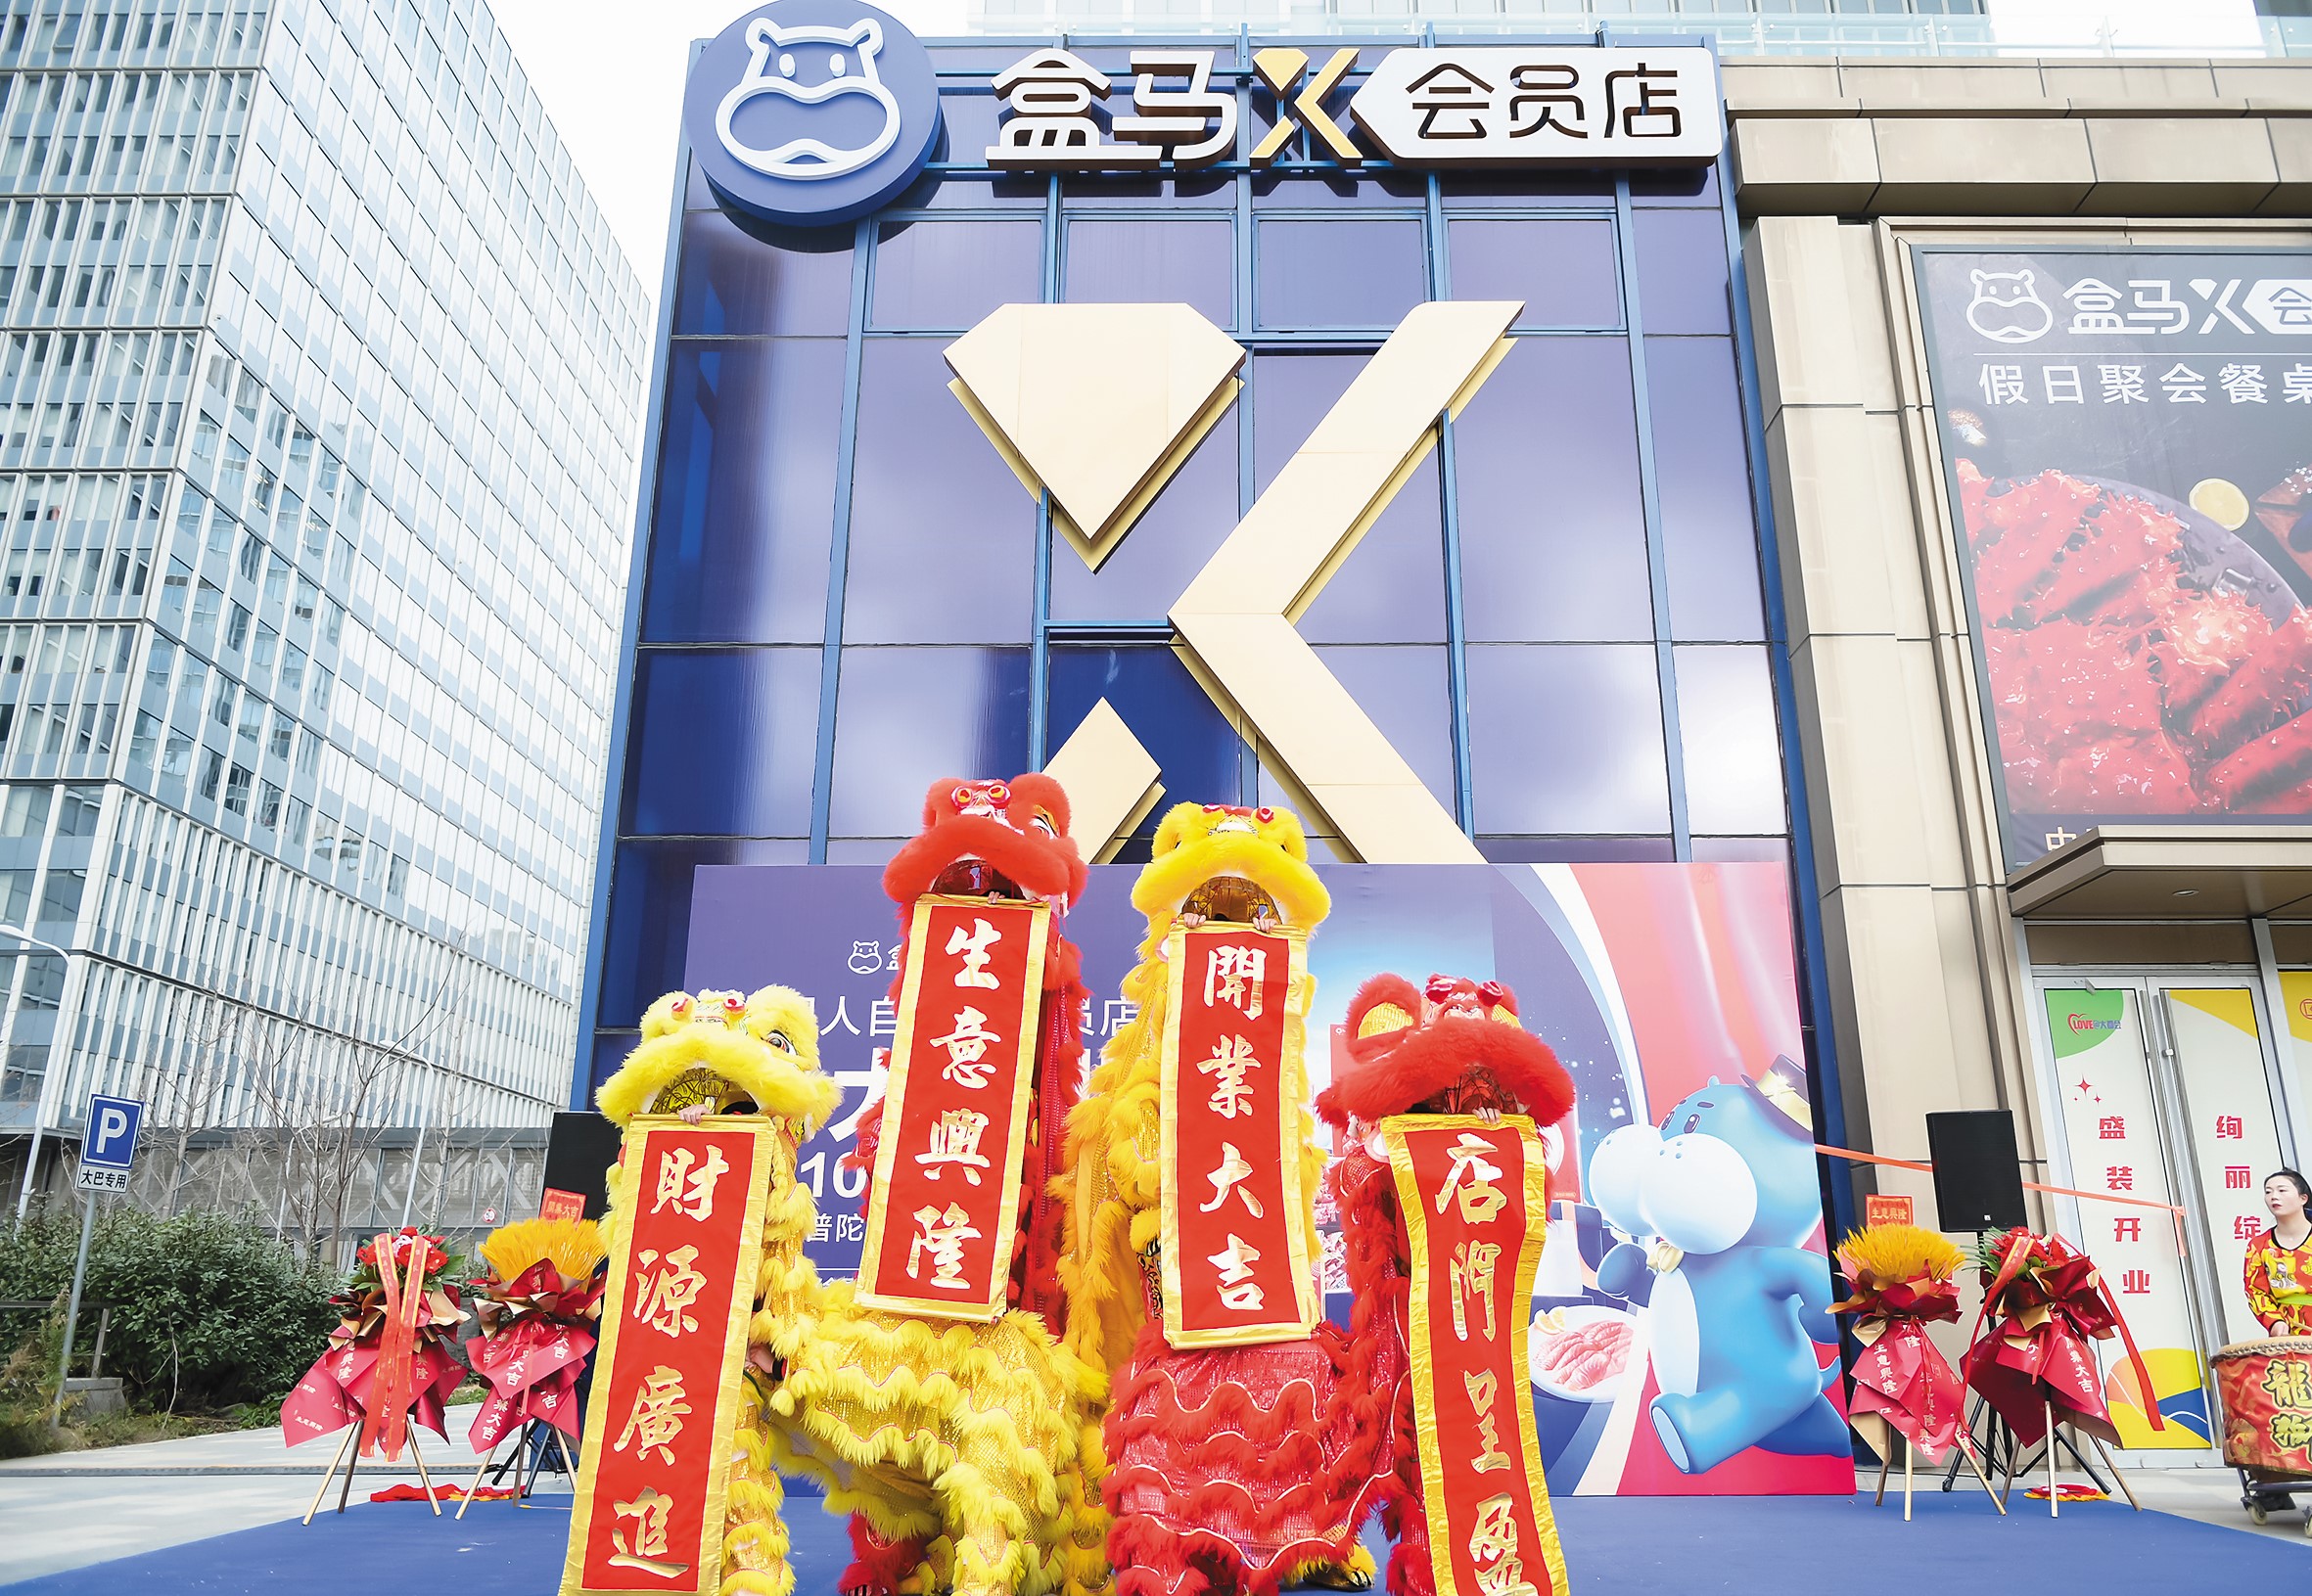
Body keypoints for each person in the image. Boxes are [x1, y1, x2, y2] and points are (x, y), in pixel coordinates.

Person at [2243, 1168, 2312, 1336]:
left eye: (2282, 1190)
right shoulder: (2258, 1246)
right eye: (2268, 1192)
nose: (2274, 1196)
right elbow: (2255, 1291)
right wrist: (2274, 1321)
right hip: (2286, 1333)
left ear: (2303, 1198)